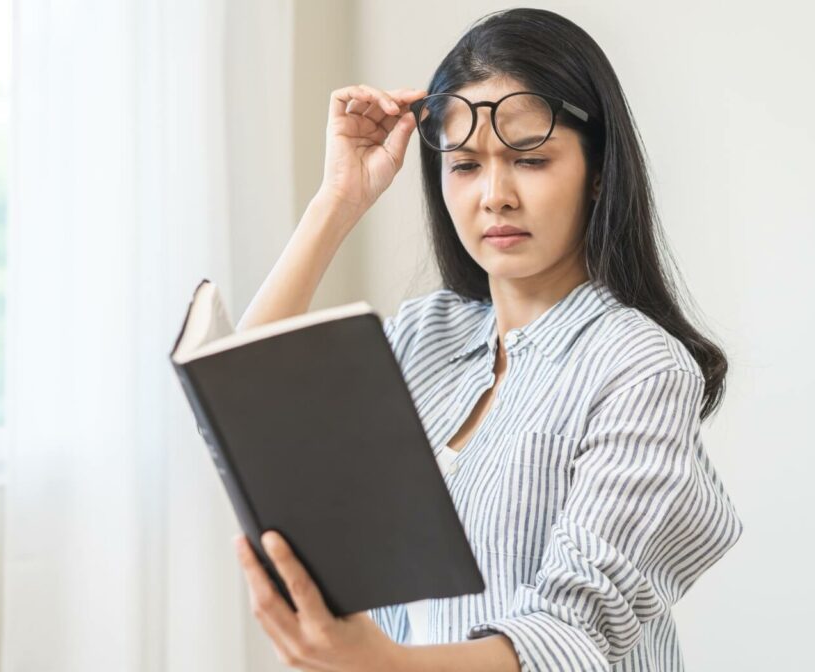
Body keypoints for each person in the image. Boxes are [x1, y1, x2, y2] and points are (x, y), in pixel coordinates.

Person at [232, 7, 743, 671]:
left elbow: (574, 633)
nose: (495, 195)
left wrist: (383, 663)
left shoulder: (638, 367)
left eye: (530, 159)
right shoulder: (422, 335)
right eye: (466, 165)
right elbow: (244, 407)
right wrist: (338, 198)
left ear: (596, 173)